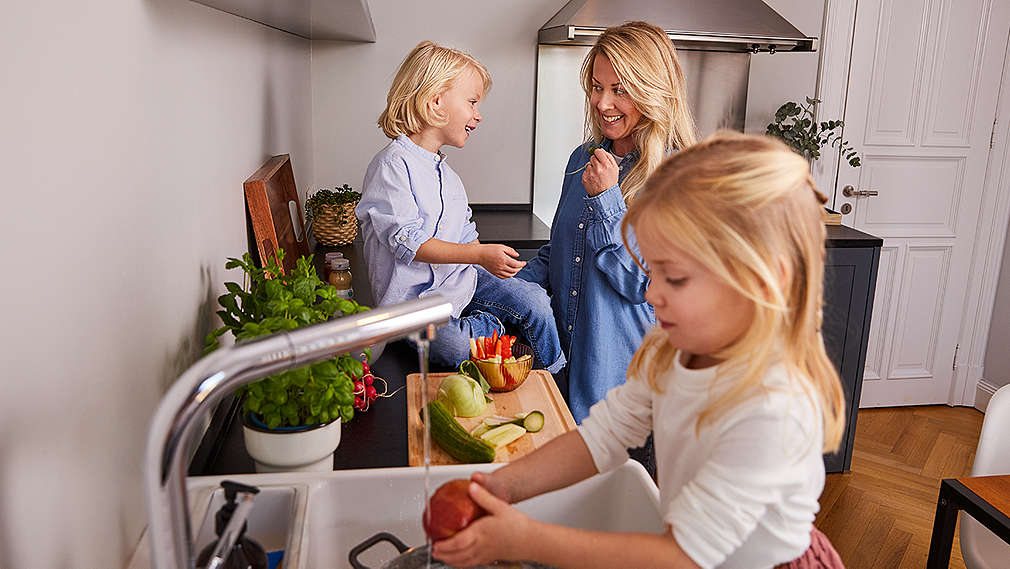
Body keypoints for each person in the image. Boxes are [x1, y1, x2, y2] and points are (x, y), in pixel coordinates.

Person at [432, 132, 848, 569]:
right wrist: (500, 486)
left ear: (761, 282)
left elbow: (681, 558)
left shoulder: (771, 407)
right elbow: (601, 437)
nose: (651, 294)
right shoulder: (671, 352)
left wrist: (524, 540)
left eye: (676, 278)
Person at [516, 21, 698, 422]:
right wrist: (501, 292)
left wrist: (605, 199)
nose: (602, 103)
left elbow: (643, 284)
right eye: (597, 87)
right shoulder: (582, 160)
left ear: (652, 91)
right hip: (561, 378)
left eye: (620, 90)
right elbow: (560, 253)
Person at [356, 41, 565, 373]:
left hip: (463, 283)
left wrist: (497, 267)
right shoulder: (391, 166)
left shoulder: (449, 177)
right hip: (413, 309)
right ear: (435, 101)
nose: (478, 115)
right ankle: (499, 328)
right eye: (472, 102)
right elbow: (411, 243)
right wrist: (479, 255)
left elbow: (467, 237)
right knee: (453, 346)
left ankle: (556, 379)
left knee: (536, 301)